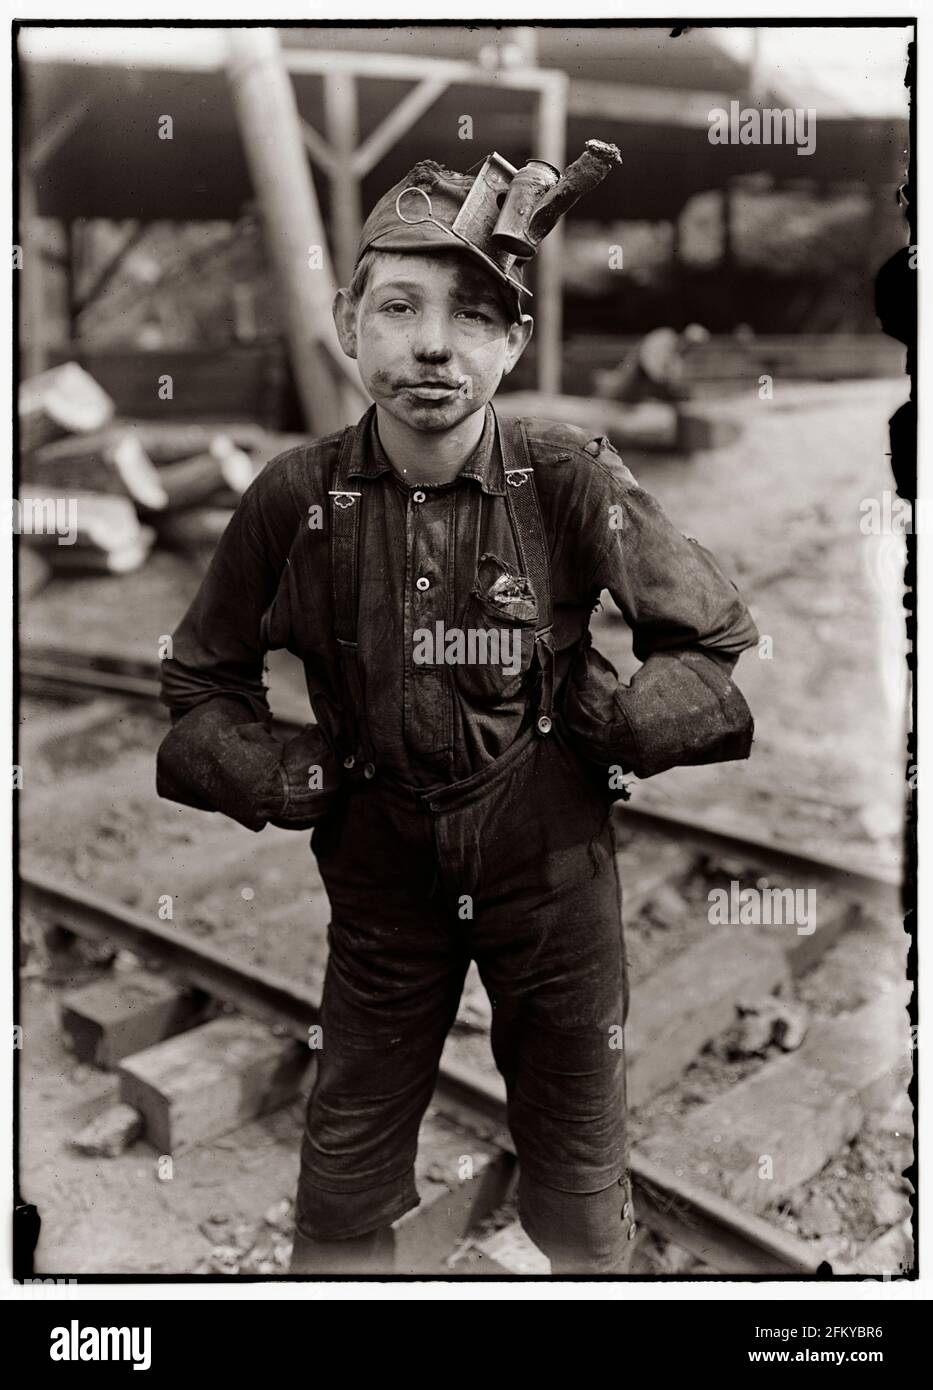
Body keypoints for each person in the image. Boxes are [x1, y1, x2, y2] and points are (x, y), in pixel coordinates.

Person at [157, 152, 758, 1277]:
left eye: (475, 316)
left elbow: (713, 639)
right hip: (381, 887)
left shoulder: (571, 474)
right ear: (348, 322)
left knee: (580, 1170)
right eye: (400, 307)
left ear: (516, 343)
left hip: (553, 870)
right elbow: (198, 687)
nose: (435, 345)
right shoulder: (293, 500)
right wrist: (288, 773)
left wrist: (632, 726)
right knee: (343, 1177)